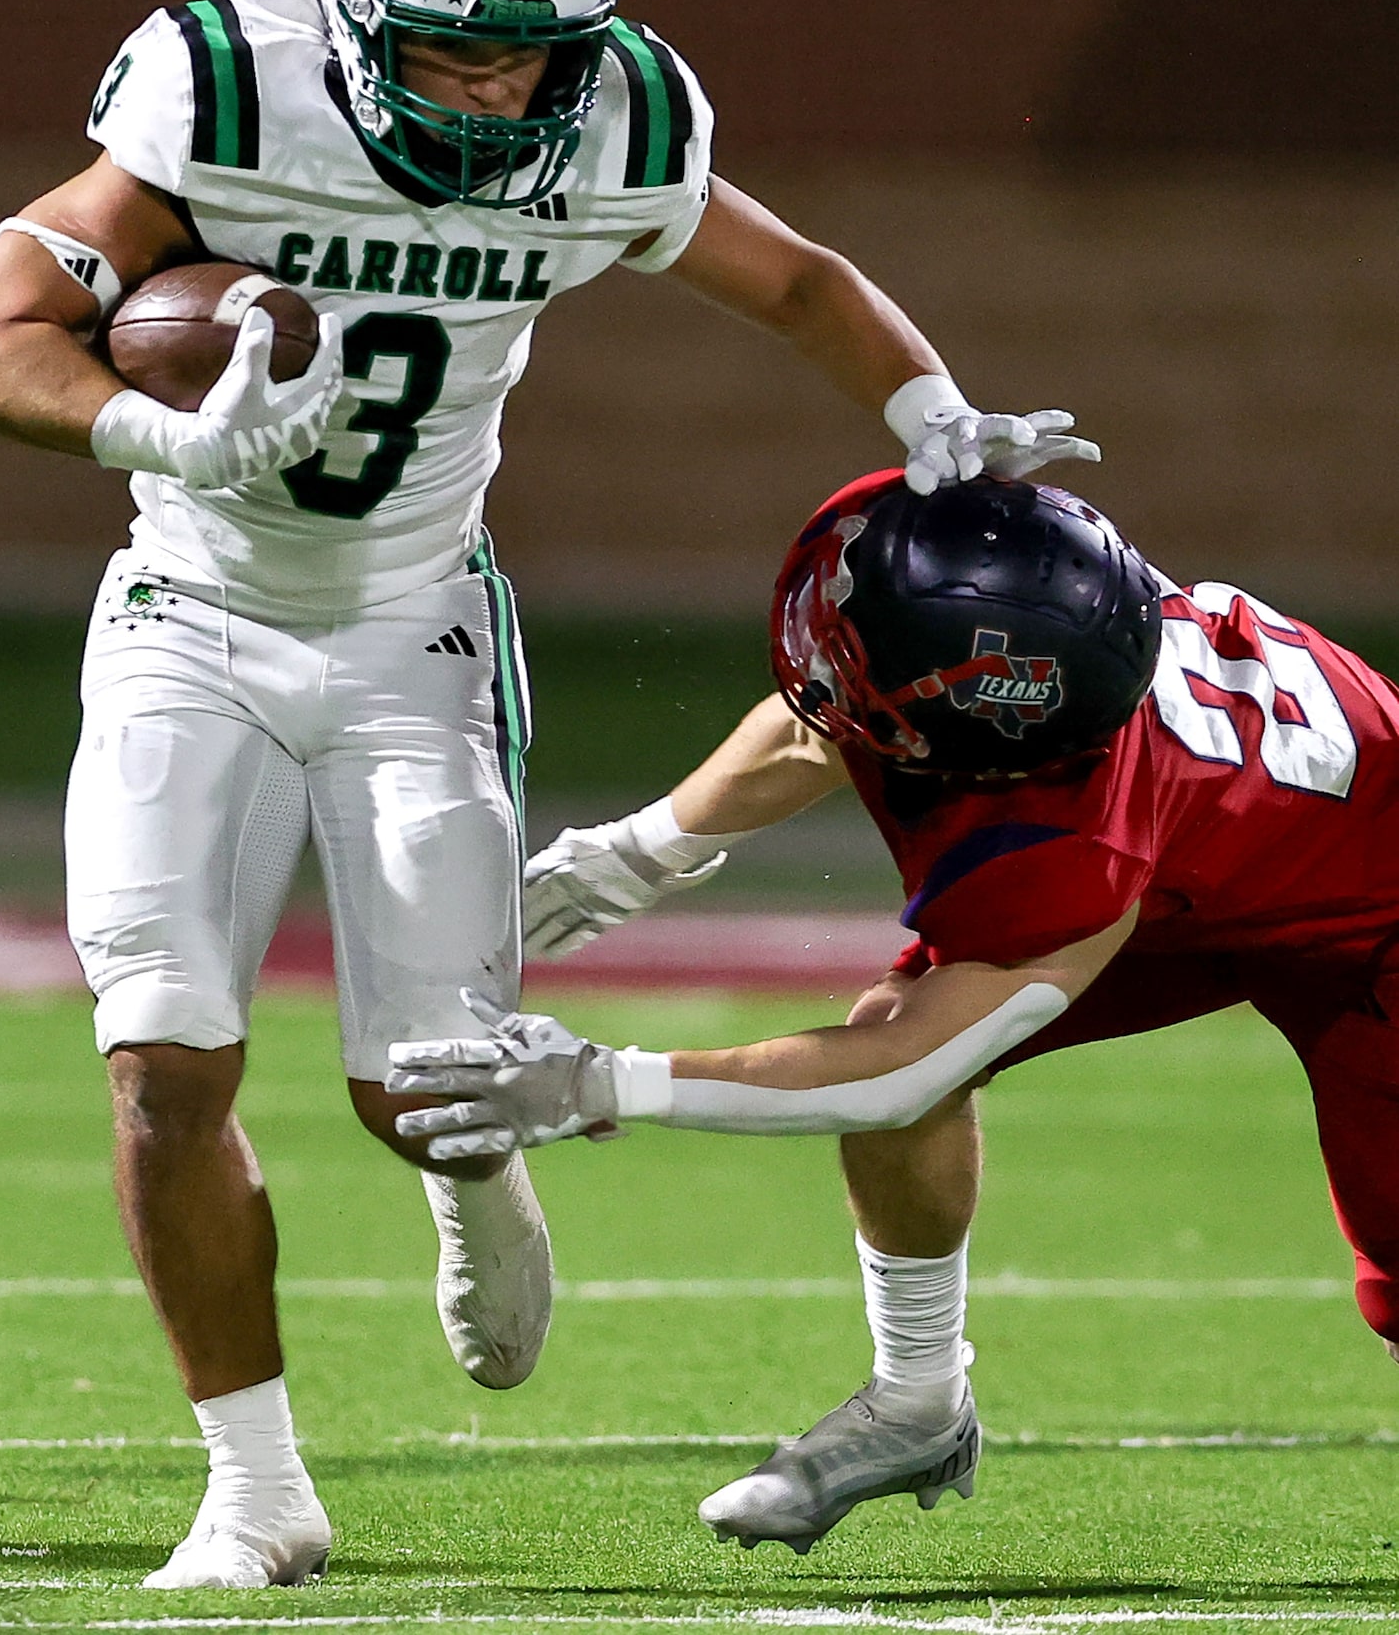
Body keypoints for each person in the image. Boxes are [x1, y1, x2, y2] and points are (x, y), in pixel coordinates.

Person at [0, 0, 1094, 1589]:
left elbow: (794, 280)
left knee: (433, 1089)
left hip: (416, 626)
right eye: (452, 55)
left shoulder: (614, 117)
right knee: (166, 1057)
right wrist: (164, 425)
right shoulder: (226, 94)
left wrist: (925, 407)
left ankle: (471, 1180)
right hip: (190, 608)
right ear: (354, 18)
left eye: (529, 56)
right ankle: (255, 1489)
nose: (492, 96)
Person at [390, 467, 1399, 1557]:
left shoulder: (1069, 839)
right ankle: (919, 1404)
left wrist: (600, 1083)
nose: (820, 651)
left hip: (1369, 910)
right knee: (900, 1020)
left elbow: (896, 1072)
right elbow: (825, 719)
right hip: (1225, 843)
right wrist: (634, 858)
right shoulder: (1026, 635)